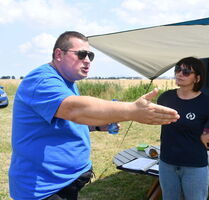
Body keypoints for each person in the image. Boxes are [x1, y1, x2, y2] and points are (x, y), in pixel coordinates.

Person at [9, 31, 180, 200]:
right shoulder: (43, 80)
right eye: (81, 54)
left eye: (90, 56)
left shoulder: (67, 82)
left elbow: (64, 120)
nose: (87, 60)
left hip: (64, 182)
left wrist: (97, 126)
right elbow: (75, 110)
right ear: (59, 54)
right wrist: (131, 111)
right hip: (44, 189)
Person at [157, 57, 209, 200]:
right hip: (167, 163)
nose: (180, 74)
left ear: (197, 78)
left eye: (186, 71)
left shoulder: (206, 102)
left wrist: (207, 137)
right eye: (178, 69)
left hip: (194, 165)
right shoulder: (165, 98)